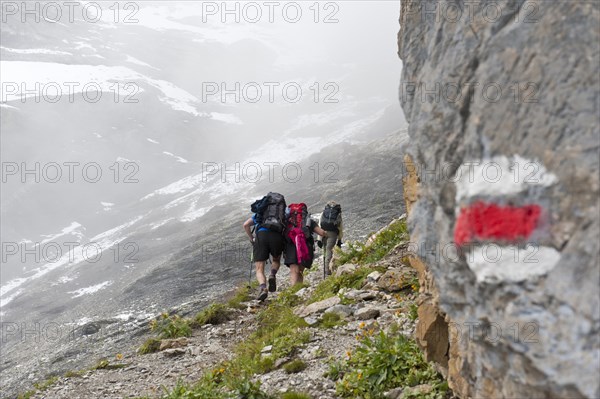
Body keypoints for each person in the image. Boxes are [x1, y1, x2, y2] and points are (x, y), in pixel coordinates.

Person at [243, 192, 286, 301]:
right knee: (276, 260)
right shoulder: (282, 212)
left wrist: (251, 238)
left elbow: (246, 225)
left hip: (261, 235)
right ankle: (272, 274)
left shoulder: (261, 212)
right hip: (276, 235)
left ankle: (263, 288)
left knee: (259, 268)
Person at [283, 203, 328, 285]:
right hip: (305, 246)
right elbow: (321, 232)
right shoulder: (308, 220)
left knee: (293, 269)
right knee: (300, 270)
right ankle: (298, 288)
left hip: (290, 245)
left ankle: (294, 290)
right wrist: (327, 233)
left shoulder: (287, 221)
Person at [318, 201, 343, 275]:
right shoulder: (338, 213)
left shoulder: (324, 212)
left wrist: (319, 239)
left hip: (323, 232)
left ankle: (326, 269)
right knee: (329, 250)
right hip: (333, 233)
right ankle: (327, 270)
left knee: (325, 249)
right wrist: (339, 239)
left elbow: (320, 224)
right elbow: (340, 227)